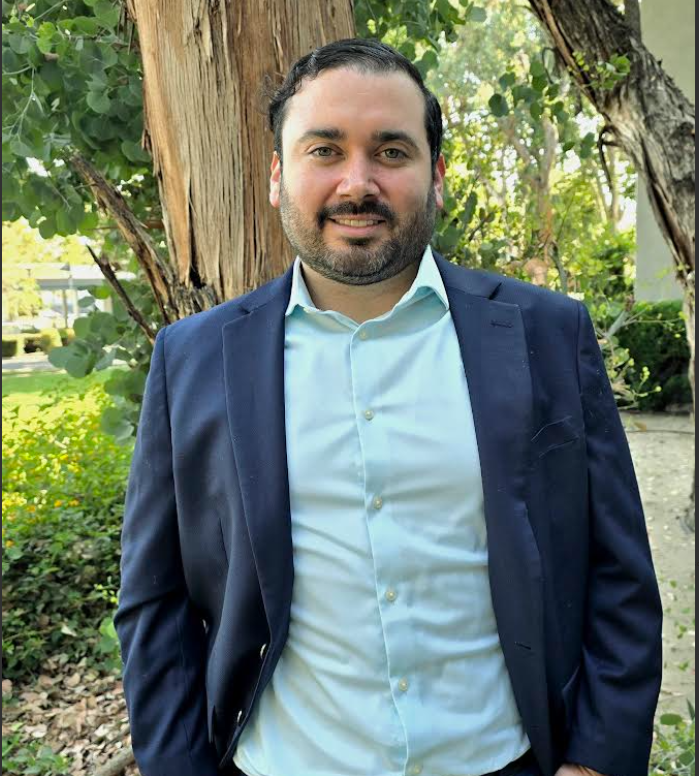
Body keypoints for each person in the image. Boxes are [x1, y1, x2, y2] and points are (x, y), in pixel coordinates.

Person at [114, 38, 663, 776]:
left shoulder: (546, 333)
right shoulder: (194, 358)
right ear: (277, 176)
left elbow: (617, 572)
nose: (356, 182)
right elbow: (155, 601)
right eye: (323, 150)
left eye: (391, 151)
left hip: (502, 758)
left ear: (435, 177)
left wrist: (596, 760)